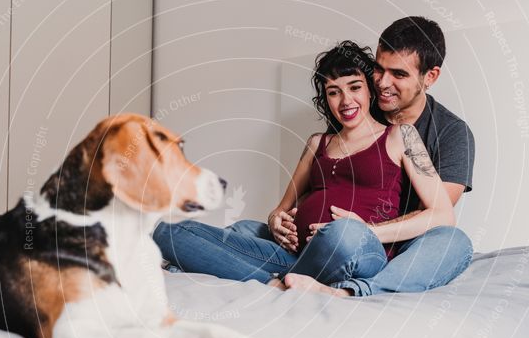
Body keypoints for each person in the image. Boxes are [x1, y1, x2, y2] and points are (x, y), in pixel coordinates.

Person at [153, 39, 470, 297]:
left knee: (345, 233)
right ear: (326, 99)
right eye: (334, 92)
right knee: (169, 231)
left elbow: (443, 214)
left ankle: (341, 289)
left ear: (370, 90)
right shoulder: (316, 142)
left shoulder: (402, 136)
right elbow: (280, 210)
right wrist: (276, 220)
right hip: (295, 255)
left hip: (357, 248)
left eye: (354, 87)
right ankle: (279, 283)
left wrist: (367, 231)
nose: (345, 100)